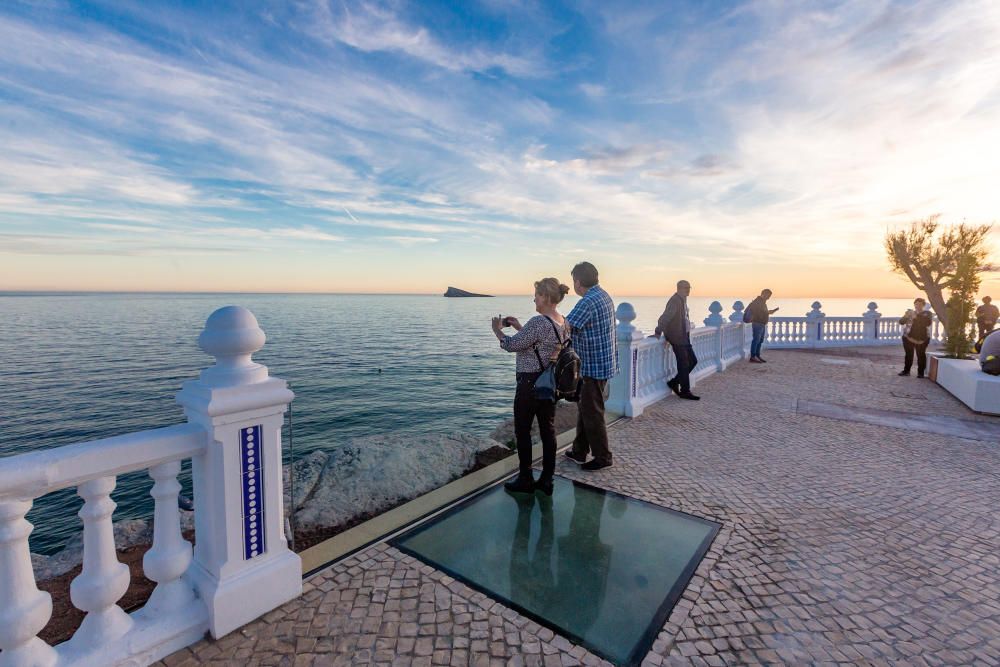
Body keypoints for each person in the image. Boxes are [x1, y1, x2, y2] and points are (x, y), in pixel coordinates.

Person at [493, 278, 571, 495]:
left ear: (545, 297)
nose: (534, 299)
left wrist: (497, 330)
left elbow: (511, 345)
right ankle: (547, 479)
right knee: (548, 430)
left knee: (523, 430)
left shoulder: (538, 322)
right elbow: (539, 344)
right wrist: (519, 326)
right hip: (549, 384)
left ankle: (526, 477)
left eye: (536, 295)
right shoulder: (563, 321)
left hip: (529, 383)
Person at [564, 262, 618, 471]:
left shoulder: (587, 301)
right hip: (602, 362)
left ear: (578, 281)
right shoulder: (603, 295)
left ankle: (603, 457)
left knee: (592, 412)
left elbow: (565, 328)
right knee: (586, 408)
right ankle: (579, 450)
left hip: (592, 366)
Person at [655, 280, 700, 400]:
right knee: (683, 364)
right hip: (677, 337)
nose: (688, 290)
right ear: (679, 288)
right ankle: (685, 391)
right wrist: (658, 331)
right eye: (686, 288)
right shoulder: (675, 301)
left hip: (684, 337)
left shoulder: (683, 300)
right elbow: (665, 317)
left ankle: (674, 382)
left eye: (689, 288)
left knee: (693, 361)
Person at [898, 298, 933, 378]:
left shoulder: (927, 313)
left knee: (920, 355)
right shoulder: (910, 313)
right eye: (916, 304)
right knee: (908, 355)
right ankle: (906, 371)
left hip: (922, 338)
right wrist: (906, 316)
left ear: (923, 305)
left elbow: (927, 323)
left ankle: (920, 373)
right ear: (914, 304)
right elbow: (901, 322)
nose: (918, 306)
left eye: (920, 304)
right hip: (908, 337)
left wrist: (916, 316)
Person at [745, 289, 779, 363]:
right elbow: (758, 313)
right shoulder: (757, 302)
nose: (769, 297)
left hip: (761, 324)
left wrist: (771, 311)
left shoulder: (762, 303)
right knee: (756, 340)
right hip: (757, 323)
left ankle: (757, 355)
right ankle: (753, 357)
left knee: (760, 341)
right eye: (768, 295)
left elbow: (763, 312)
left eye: (770, 296)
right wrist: (766, 313)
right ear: (763, 294)